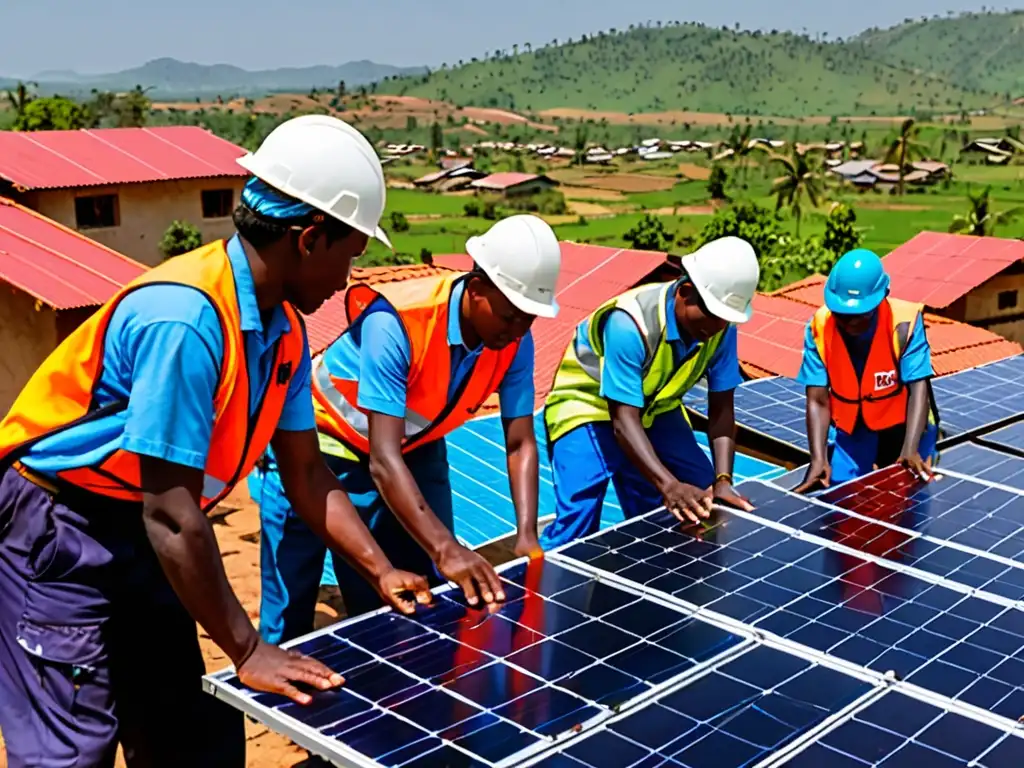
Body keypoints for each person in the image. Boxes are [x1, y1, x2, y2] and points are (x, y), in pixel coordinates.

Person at [0, 115, 432, 768]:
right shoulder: (187, 320)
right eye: (350, 254)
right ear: (311, 238)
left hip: (145, 523)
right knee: (72, 748)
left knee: (192, 733)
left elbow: (307, 473)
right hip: (61, 526)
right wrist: (250, 648)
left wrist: (380, 567)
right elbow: (171, 513)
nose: (348, 278)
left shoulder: (282, 330)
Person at [254, 213, 562, 644]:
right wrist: (446, 547)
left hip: (414, 447)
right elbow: (382, 459)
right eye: (511, 316)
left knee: (409, 592)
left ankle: (393, 684)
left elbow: (519, 441)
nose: (518, 331)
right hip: (318, 447)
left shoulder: (514, 342)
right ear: (476, 290)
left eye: (529, 319)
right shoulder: (398, 321)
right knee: (292, 600)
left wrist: (527, 534)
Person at [540, 236, 760, 549]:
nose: (717, 326)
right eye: (712, 314)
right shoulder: (630, 323)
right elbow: (623, 421)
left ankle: (656, 575)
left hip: (656, 408)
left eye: (726, 318)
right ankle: (541, 589)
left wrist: (723, 480)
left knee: (700, 493)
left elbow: (722, 411)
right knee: (579, 518)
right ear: (685, 293)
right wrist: (668, 484)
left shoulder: (721, 327)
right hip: (589, 406)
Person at [794, 248, 939, 493]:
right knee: (841, 495)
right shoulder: (820, 326)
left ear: (882, 298)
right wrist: (818, 458)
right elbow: (818, 400)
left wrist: (910, 448)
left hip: (904, 426)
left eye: (858, 315)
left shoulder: (904, 323)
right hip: (854, 428)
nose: (849, 323)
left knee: (905, 499)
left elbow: (918, 387)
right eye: (842, 314)